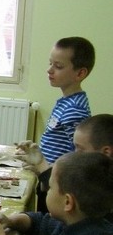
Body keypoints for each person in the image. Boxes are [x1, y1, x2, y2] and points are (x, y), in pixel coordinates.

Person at [16, 113, 113, 213]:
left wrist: (44, 169)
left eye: (80, 149)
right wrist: (42, 167)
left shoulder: (99, 189)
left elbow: (59, 213)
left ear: (106, 152)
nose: (75, 154)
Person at [39, 36, 95, 165]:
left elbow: (79, 156)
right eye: (50, 63)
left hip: (59, 178)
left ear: (80, 73)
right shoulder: (66, 102)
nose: (49, 70)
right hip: (48, 172)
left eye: (58, 66)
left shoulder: (75, 109)